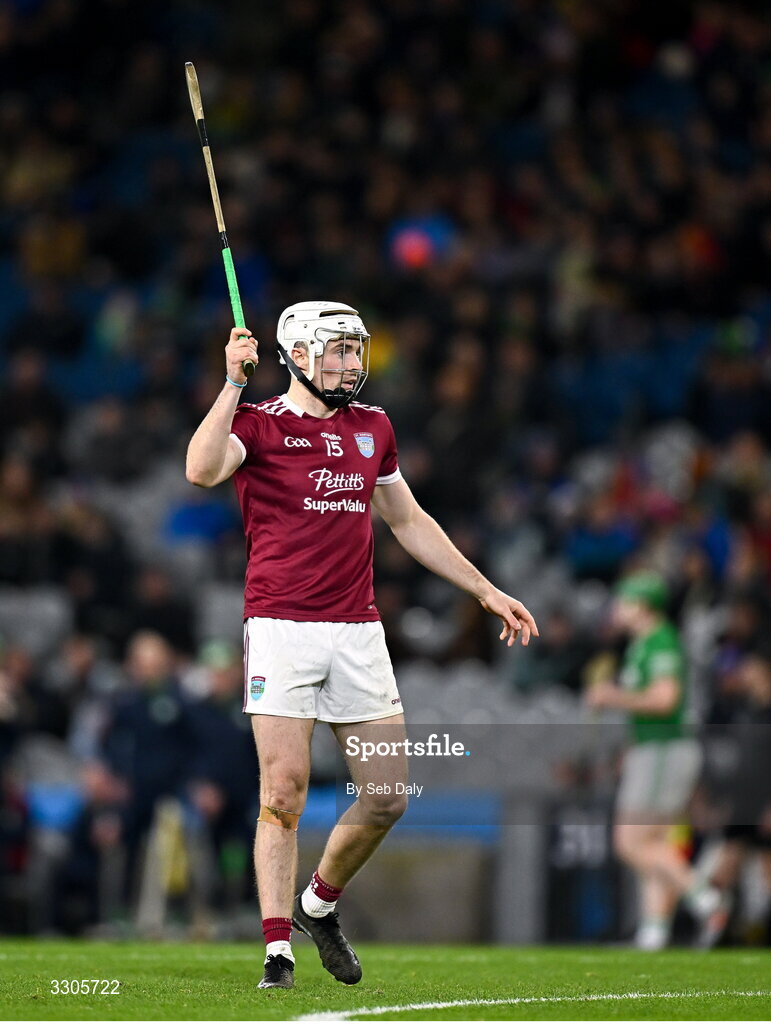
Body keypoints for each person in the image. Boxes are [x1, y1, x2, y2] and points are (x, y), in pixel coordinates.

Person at [185, 300, 538, 989]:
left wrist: (483, 588)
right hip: (282, 629)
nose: (348, 364)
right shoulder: (257, 424)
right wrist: (231, 383)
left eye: (354, 351)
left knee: (386, 797)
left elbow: (407, 519)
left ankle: (318, 904)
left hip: (357, 632)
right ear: (295, 355)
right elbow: (200, 470)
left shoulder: (372, 427)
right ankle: (276, 953)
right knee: (282, 792)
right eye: (334, 351)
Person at [585, 571, 728, 950]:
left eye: (624, 601)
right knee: (654, 844)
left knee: (630, 843)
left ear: (642, 605)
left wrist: (611, 696)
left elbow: (665, 699)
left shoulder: (660, 641)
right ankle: (654, 931)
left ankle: (705, 897)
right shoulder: (643, 643)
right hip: (655, 747)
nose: (617, 608)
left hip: (665, 748)